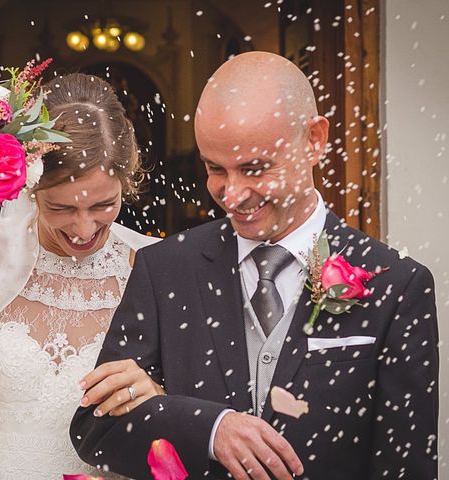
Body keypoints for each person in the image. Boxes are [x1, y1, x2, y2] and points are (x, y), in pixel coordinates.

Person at [71, 51, 439, 479]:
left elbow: (406, 467)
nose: (233, 195)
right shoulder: (165, 268)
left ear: (315, 140)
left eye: (255, 168)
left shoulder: (398, 286)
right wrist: (210, 429)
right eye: (215, 169)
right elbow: (96, 430)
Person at [0, 73, 165, 479]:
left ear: (127, 181)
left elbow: (180, 425)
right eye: (62, 208)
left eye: (104, 204)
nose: (83, 229)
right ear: (29, 185)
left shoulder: (155, 265)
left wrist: (156, 398)